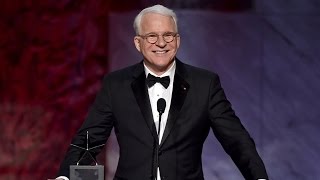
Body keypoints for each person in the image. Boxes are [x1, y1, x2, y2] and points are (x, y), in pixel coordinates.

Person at [55, 4, 268, 180]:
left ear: (177, 41)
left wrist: (258, 177)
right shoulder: (116, 84)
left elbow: (236, 139)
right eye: (152, 36)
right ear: (138, 43)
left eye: (168, 35)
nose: (161, 43)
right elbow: (90, 139)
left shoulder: (205, 84)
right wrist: (65, 177)